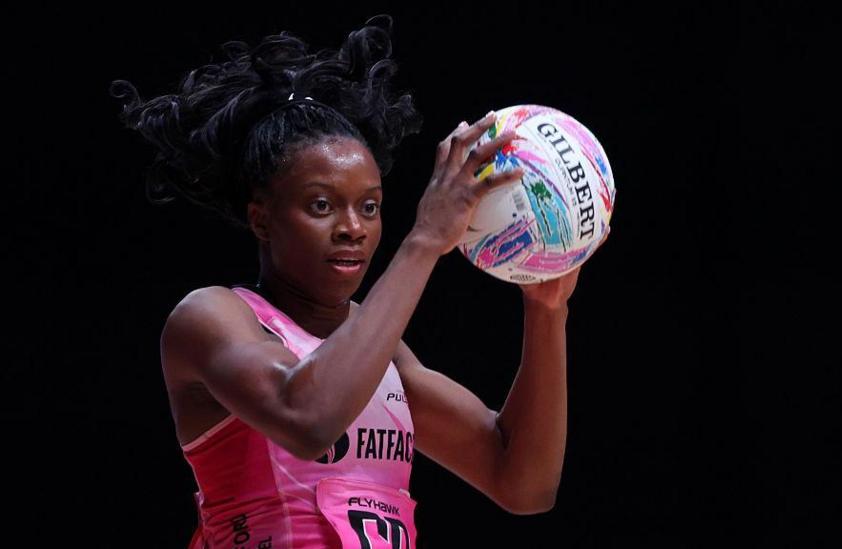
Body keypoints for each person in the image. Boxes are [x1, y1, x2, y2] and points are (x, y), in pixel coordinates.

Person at [111, 14, 607, 549]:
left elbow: (523, 482)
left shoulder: (384, 355)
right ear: (262, 219)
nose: (352, 228)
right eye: (321, 205)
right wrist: (424, 241)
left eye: (369, 207)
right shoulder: (209, 318)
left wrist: (547, 310)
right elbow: (306, 418)